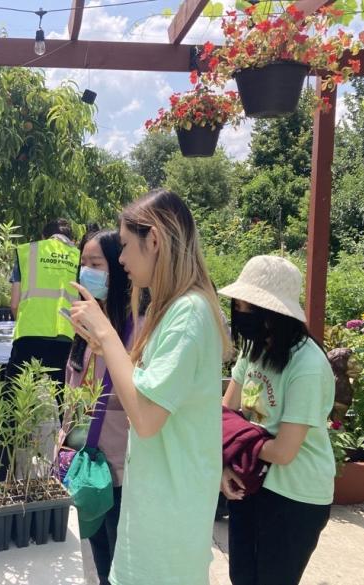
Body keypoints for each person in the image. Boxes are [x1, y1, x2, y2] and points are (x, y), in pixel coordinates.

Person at [69, 189, 230, 585]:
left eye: (124, 246)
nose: (120, 259)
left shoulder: (187, 314)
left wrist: (107, 335)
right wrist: (102, 344)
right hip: (158, 514)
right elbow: (147, 388)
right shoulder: (176, 309)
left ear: (154, 240)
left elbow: (145, 418)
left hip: (167, 524)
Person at [218, 255, 336, 585]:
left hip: (295, 496)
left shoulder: (307, 365)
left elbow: (285, 452)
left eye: (247, 308)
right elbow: (226, 413)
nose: (240, 315)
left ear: (273, 313)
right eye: (238, 306)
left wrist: (236, 439)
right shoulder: (253, 349)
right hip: (251, 479)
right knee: (242, 577)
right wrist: (224, 466)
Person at [63, 229, 133, 585]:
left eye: (96, 264)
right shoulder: (85, 322)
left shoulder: (129, 327)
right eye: (83, 264)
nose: (87, 271)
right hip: (87, 456)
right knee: (99, 556)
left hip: (118, 463)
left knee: (119, 559)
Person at [7, 218, 81, 386]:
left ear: (44, 236)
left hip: (29, 335)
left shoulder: (28, 252)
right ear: (71, 239)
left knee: (15, 400)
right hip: (66, 336)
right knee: (66, 400)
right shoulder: (81, 257)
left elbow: (14, 304)